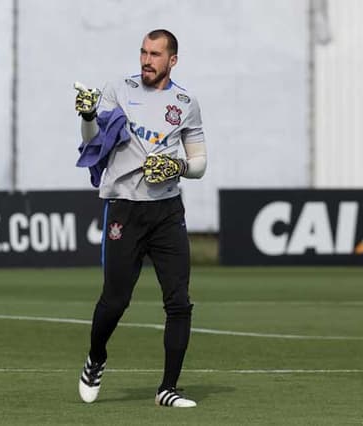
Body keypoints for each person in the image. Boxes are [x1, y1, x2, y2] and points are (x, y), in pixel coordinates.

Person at [74, 29, 207, 408]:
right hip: (125, 209)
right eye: (143, 52)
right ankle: (96, 357)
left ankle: (167, 388)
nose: (146, 60)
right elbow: (93, 140)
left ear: (172, 61)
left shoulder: (185, 102)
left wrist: (177, 165)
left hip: (167, 211)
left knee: (179, 302)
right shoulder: (119, 89)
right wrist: (87, 114)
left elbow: (199, 163)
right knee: (115, 302)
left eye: (155, 54)